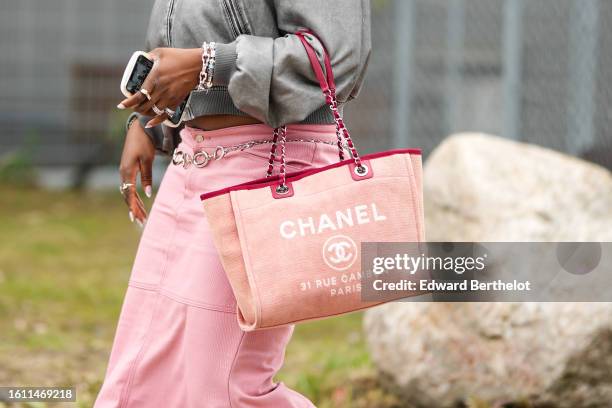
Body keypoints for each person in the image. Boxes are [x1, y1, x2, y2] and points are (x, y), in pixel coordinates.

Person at [94, 1, 371, 406]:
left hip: (271, 163)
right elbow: (180, 45)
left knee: (225, 385)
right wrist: (150, 120)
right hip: (194, 158)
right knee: (138, 376)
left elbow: (333, 55)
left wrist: (209, 63)